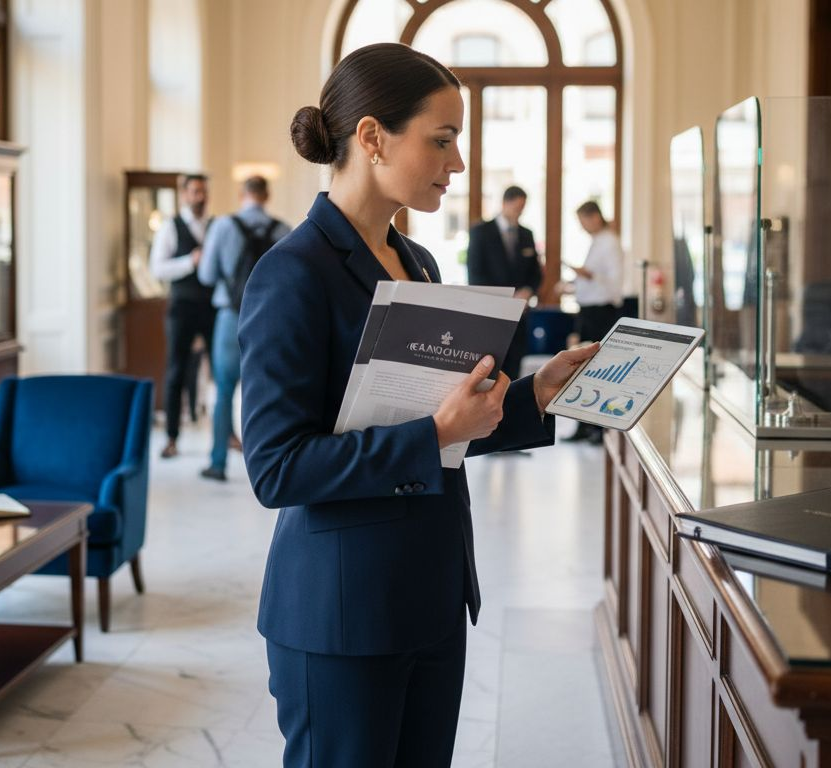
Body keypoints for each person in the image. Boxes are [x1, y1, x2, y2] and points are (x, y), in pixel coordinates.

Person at [238, 42, 599, 767]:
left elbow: (446, 424)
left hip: (431, 596)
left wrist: (534, 395)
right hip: (342, 613)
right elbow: (276, 468)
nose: (457, 163)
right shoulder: (292, 274)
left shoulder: (419, 262)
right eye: (442, 139)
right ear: (373, 137)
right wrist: (433, 432)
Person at [197, 176, 291, 481]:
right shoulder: (282, 230)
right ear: (267, 195)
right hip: (270, 319)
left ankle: (218, 463)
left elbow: (206, 275)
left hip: (230, 316)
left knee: (224, 390)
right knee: (268, 391)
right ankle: (269, 464)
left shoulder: (223, 227)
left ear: (242, 194)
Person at [151, 173, 213, 459]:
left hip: (212, 307)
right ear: (184, 195)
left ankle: (227, 434)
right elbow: (158, 269)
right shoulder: (170, 227)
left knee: (220, 371)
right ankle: (172, 437)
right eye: (195, 191)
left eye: (203, 191)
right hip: (181, 308)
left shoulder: (216, 225)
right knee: (176, 370)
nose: (200, 197)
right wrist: (190, 261)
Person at [467, 186, 541, 379]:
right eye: (517, 207)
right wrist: (507, 297)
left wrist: (528, 291)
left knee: (514, 369)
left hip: (519, 315)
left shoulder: (526, 234)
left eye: (522, 208)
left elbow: (535, 273)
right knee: (490, 370)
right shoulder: (481, 232)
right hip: (490, 314)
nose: (519, 212)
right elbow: (475, 275)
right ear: (504, 203)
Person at [564, 200, 623, 444]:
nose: (583, 227)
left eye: (584, 221)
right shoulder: (597, 241)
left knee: (599, 370)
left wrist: (587, 275)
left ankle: (599, 428)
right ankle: (583, 424)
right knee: (581, 369)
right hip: (588, 311)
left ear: (595, 217)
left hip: (601, 312)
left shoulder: (610, 242)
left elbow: (614, 282)